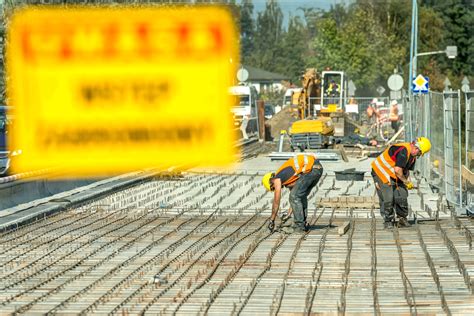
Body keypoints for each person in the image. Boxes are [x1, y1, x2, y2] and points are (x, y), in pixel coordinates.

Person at [371, 137, 431, 229]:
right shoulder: (403, 151)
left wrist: (407, 182)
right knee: (389, 196)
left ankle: (402, 219)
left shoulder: (412, 157)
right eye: (419, 153)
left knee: (402, 194)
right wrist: (406, 182)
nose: (419, 155)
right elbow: (398, 170)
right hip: (381, 171)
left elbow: (405, 171)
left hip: (394, 172)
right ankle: (388, 220)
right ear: (416, 148)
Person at [262, 153, 323, 233]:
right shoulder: (289, 178)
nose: (278, 188)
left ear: (270, 182)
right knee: (300, 196)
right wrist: (288, 215)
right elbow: (295, 200)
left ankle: (299, 227)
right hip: (317, 169)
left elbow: (276, 201)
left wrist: (272, 221)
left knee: (295, 196)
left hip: (311, 169)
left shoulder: (277, 178)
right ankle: (303, 224)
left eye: (273, 188)